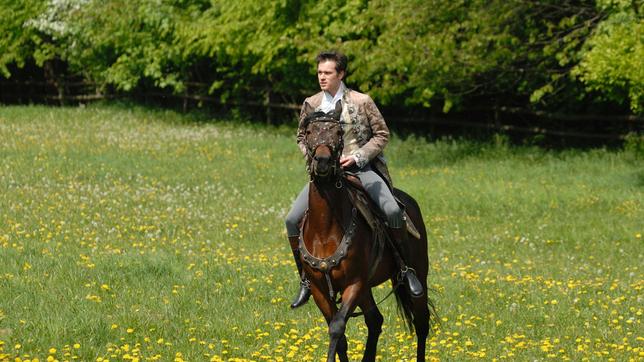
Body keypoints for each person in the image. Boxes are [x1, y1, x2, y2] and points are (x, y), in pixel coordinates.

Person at [284, 50, 423, 309]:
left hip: (360, 170)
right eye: (319, 73)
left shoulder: (361, 101)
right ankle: (305, 280)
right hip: (324, 176)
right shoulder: (311, 103)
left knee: (392, 210)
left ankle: (405, 269)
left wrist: (357, 157)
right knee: (292, 219)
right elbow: (301, 136)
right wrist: (314, 158)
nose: (322, 78)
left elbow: (382, 134)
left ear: (341, 74)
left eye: (327, 73)